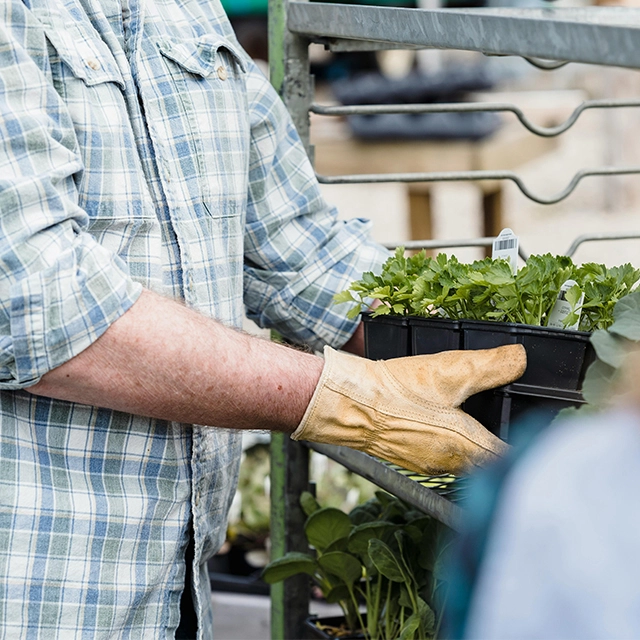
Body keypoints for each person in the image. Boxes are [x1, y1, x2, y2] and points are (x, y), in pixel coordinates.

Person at [0, 0, 525, 636]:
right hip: (38, 592)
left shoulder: (184, 12)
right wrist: (351, 400)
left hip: (173, 589)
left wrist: (506, 341)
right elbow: (35, 302)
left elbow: (296, 243)